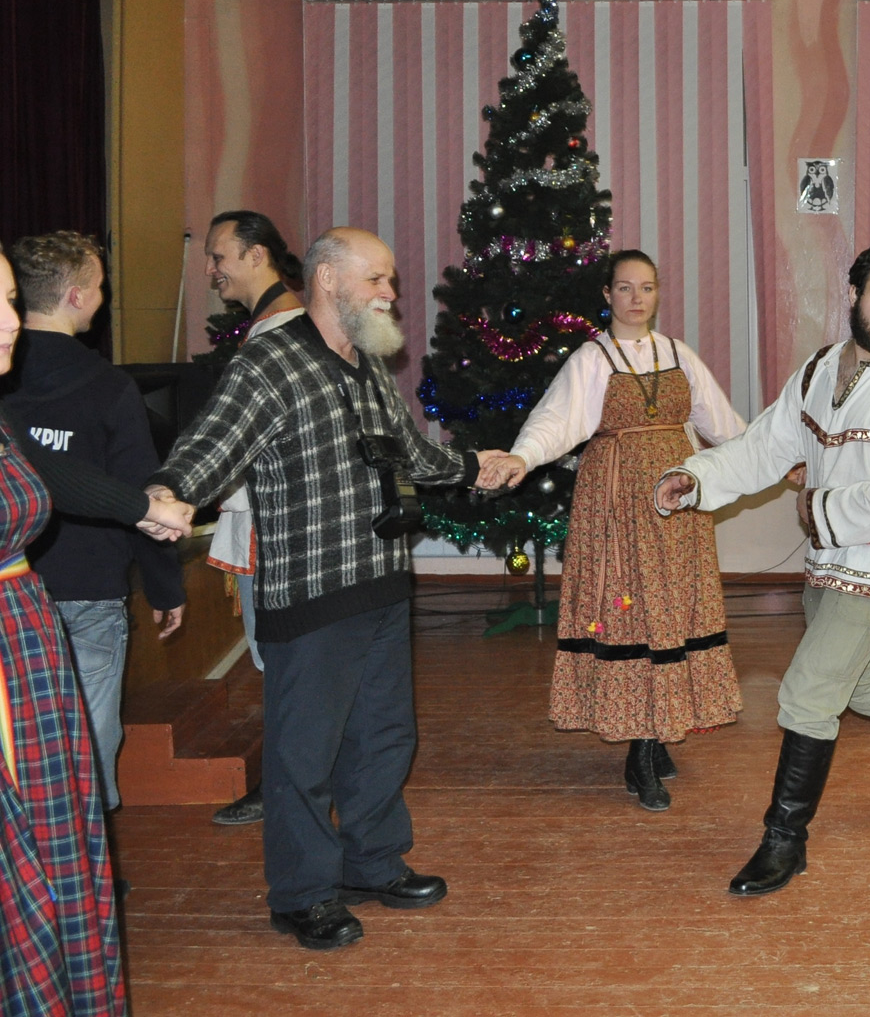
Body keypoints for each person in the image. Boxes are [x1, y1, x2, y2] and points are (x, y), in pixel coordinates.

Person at [148, 228, 502, 950]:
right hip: (312, 598)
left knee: (383, 737)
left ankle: (373, 863)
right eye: (377, 278)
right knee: (303, 755)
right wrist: (171, 490)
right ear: (330, 281)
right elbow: (212, 441)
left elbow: (407, 452)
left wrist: (473, 466)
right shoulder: (269, 362)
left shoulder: (365, 365)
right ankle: (303, 893)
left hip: (381, 587)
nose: (390, 293)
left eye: (390, 280)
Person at [654, 241, 870, 897]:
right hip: (828, 557)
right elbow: (763, 447)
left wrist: (817, 507)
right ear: (853, 296)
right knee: (851, 680)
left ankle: (785, 840)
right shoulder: (817, 370)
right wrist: (695, 478)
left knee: (807, 692)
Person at [481, 250, 745, 812]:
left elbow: (724, 425)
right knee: (633, 614)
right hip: (618, 508)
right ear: (607, 295)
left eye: (646, 287)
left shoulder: (678, 354)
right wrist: (522, 456)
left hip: (679, 503)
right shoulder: (592, 357)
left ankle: (659, 731)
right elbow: (557, 421)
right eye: (624, 288)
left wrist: (777, 460)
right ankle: (640, 755)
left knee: (672, 613)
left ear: (657, 292)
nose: (636, 298)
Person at [0, 251, 192, 1015]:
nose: (11, 323)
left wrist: (142, 509)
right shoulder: (104, 385)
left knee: (63, 814)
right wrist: (151, 530)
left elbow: (47, 476)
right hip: (30, 641)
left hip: (31, 636)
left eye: (12, 299)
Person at [2, 232, 187, 812]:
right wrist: (164, 585)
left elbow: (55, 475)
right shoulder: (109, 386)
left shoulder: (8, 383)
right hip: (86, 586)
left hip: (24, 593)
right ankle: (87, 855)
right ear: (77, 297)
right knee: (88, 745)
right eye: (102, 288)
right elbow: (136, 486)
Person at [200, 209, 308, 827]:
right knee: (284, 661)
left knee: (284, 661)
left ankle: (287, 786)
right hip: (270, 521)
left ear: (256, 255)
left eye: (219, 256)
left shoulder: (279, 331)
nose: (211, 270)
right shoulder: (277, 326)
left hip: (276, 527)